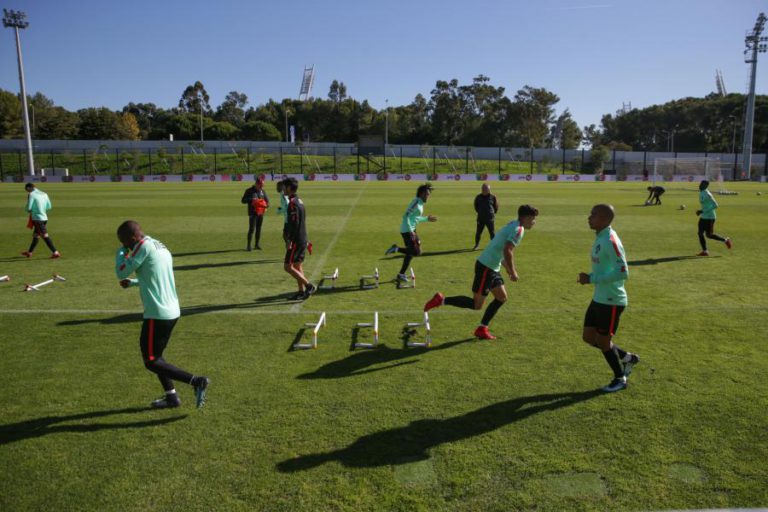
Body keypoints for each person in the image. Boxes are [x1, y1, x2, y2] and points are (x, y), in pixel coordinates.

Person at [115, 220, 210, 409]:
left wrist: (120, 255)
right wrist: (134, 283)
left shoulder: (142, 247)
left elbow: (120, 271)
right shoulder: (158, 245)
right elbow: (155, 275)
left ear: (133, 238)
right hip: (172, 310)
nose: (124, 246)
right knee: (157, 357)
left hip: (157, 313)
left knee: (151, 360)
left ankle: (196, 381)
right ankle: (171, 397)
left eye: (124, 242)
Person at [424, 205, 539, 340]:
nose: (534, 222)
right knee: (476, 305)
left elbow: (499, 247)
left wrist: (507, 268)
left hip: (492, 267)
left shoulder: (515, 224)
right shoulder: (518, 229)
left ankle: (482, 328)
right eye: (532, 218)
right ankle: (441, 300)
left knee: (501, 297)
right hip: (486, 267)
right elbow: (507, 250)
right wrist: (513, 271)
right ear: (525, 218)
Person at [577, 204, 640, 393]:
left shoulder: (610, 240)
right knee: (588, 337)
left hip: (612, 301)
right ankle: (628, 357)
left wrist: (592, 279)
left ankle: (620, 379)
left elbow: (623, 272)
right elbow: (605, 267)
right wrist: (590, 277)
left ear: (604, 219)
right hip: (599, 298)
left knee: (604, 342)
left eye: (593, 215)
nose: (589, 217)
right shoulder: (601, 237)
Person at [385, 183, 438, 283]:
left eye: (429, 194)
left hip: (411, 230)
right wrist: (410, 231)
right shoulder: (416, 203)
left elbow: (416, 218)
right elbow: (406, 216)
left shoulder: (420, 204)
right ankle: (396, 249)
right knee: (416, 252)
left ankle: (401, 274)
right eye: (427, 194)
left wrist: (427, 218)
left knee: (412, 253)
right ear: (422, 194)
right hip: (407, 230)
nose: (428, 196)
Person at [283, 178, 315, 300]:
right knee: (297, 265)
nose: (283, 189)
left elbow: (294, 223)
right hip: (302, 238)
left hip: (296, 240)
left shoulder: (292, 203)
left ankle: (309, 286)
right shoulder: (299, 201)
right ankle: (301, 292)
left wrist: (289, 240)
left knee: (287, 267)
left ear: (290, 188)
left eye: (284, 187)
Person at [21, 183, 61, 259]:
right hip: (44, 218)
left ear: (29, 188)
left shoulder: (32, 194)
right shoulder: (44, 194)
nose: (27, 192)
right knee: (36, 236)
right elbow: (49, 206)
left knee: (45, 236)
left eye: (26, 190)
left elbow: (28, 208)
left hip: (37, 219)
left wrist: (30, 209)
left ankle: (55, 252)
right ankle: (29, 252)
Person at [696, 180, 732, 256]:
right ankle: (705, 251)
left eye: (702, 184)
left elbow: (716, 205)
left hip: (710, 217)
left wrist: (702, 211)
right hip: (703, 217)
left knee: (709, 235)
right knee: (700, 233)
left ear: (706, 186)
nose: (700, 185)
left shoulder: (708, 194)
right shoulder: (701, 192)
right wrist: (702, 211)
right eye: (700, 183)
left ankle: (725, 240)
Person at [241, 177, 269, 251]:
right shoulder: (249, 191)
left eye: (262, 185)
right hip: (252, 213)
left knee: (259, 229)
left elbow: (267, 202)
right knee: (251, 229)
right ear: (256, 184)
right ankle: (248, 246)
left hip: (261, 213)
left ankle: (257, 244)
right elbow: (243, 200)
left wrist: (266, 206)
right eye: (260, 185)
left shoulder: (262, 191)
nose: (262, 187)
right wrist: (251, 200)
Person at [473, 183, 499, 250]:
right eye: (483, 189)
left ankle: (494, 245)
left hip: (490, 218)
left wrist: (492, 213)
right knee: (478, 232)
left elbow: (496, 207)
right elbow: (476, 206)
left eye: (486, 189)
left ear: (489, 189)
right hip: (480, 218)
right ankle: (476, 245)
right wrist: (480, 212)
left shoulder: (493, 197)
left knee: (492, 233)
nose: (484, 190)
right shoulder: (478, 197)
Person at [276, 179, 290, 248]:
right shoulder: (283, 194)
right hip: (288, 217)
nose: (276, 188)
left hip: (288, 218)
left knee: (286, 235)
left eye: (278, 186)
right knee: (287, 235)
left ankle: (290, 249)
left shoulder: (283, 195)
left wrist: (279, 211)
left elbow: (287, 205)